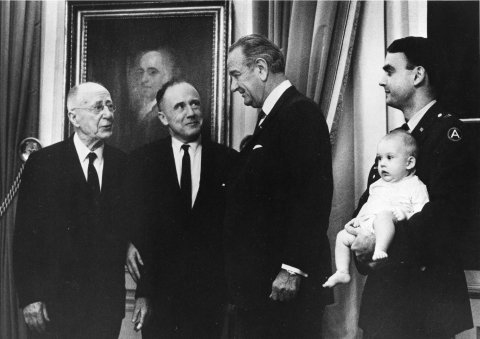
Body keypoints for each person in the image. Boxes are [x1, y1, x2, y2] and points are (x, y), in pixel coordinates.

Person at [348, 36, 473, 338]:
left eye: (390, 71)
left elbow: (443, 218)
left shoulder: (449, 135)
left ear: (417, 75)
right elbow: (371, 200)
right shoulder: (398, 138)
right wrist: (360, 237)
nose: (382, 80)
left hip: (423, 306)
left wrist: (379, 243)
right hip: (385, 302)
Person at [224, 34, 333, 338]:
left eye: (236, 75)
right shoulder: (271, 119)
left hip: (283, 286)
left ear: (260, 67)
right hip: (263, 285)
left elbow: (313, 197)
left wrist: (292, 268)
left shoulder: (299, 113)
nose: (234, 86)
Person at [124, 79, 237, 338]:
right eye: (180, 106)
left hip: (212, 299)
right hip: (159, 300)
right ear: (163, 117)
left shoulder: (229, 161)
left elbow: (235, 233)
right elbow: (142, 235)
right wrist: (144, 293)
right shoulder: (142, 162)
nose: (191, 112)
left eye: (195, 104)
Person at [13, 82, 128, 338]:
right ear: (73, 117)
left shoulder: (123, 165)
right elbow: (25, 236)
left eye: (110, 106)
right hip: (54, 306)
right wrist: (30, 297)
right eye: (98, 107)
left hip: (105, 307)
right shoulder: (43, 164)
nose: (108, 114)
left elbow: (129, 225)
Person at [323, 130, 429, 288]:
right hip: (366, 230)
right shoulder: (377, 185)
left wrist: (405, 215)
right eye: (379, 159)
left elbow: (422, 212)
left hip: (390, 226)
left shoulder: (415, 185)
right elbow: (368, 204)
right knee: (341, 237)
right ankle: (342, 271)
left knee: (383, 216)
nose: (382, 164)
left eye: (389, 158)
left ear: (409, 163)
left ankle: (380, 248)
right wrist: (357, 219)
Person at [129, 47, 181, 149]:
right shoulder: (144, 110)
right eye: (141, 72)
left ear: (167, 76)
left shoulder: (167, 111)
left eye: (152, 72)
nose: (143, 80)